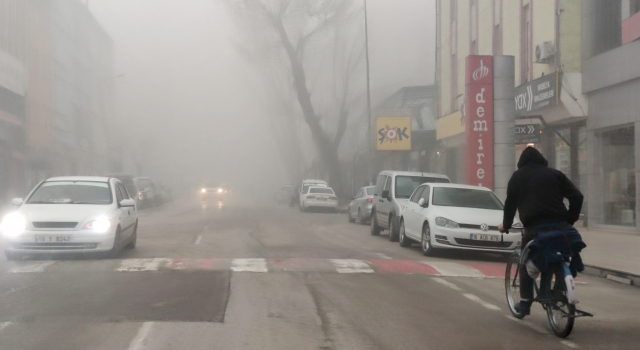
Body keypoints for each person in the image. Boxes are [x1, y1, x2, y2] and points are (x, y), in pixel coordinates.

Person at [498, 146, 583, 315]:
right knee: (562, 255)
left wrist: (506, 225)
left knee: (524, 261)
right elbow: (577, 196)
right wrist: (569, 220)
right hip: (560, 226)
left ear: (521, 162)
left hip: (535, 229)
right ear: (542, 160)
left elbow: (510, 205)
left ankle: (524, 304)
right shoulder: (555, 174)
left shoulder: (518, 177)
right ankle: (558, 288)